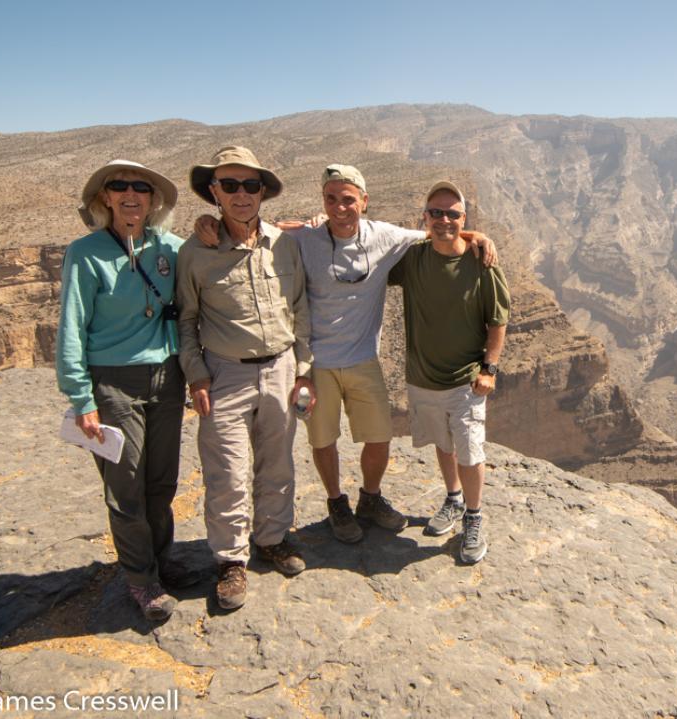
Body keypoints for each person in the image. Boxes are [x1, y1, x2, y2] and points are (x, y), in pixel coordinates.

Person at [194, 165, 498, 545]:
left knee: (379, 437)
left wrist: (476, 234)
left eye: (348, 199)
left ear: (364, 202)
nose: (339, 208)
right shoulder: (304, 237)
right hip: (315, 363)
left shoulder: (386, 236)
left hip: (363, 358)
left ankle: (370, 498)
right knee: (323, 440)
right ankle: (337, 503)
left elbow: (437, 232)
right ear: (323, 200)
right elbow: (256, 228)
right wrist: (207, 222)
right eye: (331, 199)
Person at [56, 159, 194, 621]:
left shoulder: (170, 247)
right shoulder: (86, 252)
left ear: (153, 201)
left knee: (161, 482)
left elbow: (219, 250)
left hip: (167, 378)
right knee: (126, 487)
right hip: (113, 382)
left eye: (141, 187)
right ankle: (141, 579)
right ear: (105, 198)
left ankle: (161, 562)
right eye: (120, 186)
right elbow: (72, 326)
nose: (131, 194)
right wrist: (81, 398)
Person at [176, 146, 312, 611]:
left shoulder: (285, 243)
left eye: (249, 185)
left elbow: (299, 309)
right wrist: (196, 376)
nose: (240, 194)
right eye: (229, 185)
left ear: (262, 192)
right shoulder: (194, 252)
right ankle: (231, 561)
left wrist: (304, 370)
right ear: (213, 192)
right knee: (227, 474)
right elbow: (186, 320)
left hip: (281, 369)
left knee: (277, 463)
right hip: (225, 376)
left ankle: (272, 538)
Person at [388, 181, 510, 564]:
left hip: (466, 380)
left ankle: (473, 519)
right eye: (436, 213)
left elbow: (498, 319)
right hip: (422, 377)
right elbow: (362, 248)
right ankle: (453, 500)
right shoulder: (412, 258)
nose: (444, 220)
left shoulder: (482, 261)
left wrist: (489, 368)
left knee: (470, 453)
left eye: (453, 214)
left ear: (464, 218)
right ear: (424, 217)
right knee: (443, 444)